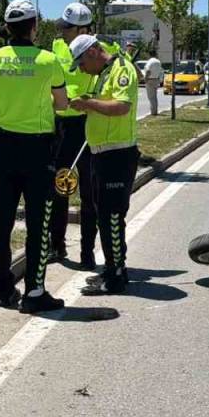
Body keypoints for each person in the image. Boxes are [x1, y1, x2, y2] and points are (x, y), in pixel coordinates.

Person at [0, 0, 69, 313]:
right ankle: (35, 292)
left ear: (7, 28)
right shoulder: (49, 61)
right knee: (38, 225)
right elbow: (61, 104)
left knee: (0, 223)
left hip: (5, 150)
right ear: (34, 26)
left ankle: (4, 290)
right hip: (38, 152)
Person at [68, 35, 140, 295]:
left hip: (117, 154)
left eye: (82, 64)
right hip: (102, 152)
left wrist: (87, 103)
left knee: (111, 217)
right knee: (104, 215)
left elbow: (121, 106)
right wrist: (88, 103)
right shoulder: (103, 73)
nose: (83, 70)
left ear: (92, 53)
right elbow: (105, 104)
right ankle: (111, 269)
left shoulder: (122, 69)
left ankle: (117, 276)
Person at [49, 2, 101, 270]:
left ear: (84, 29)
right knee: (60, 187)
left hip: (87, 125)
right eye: (63, 27)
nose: (63, 32)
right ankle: (56, 245)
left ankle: (87, 252)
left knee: (89, 194)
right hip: (61, 128)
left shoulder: (100, 50)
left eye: (68, 29)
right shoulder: (56, 47)